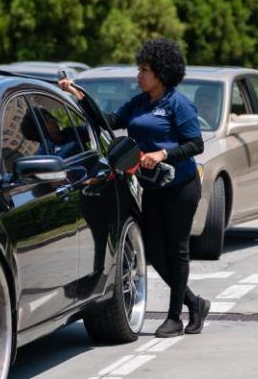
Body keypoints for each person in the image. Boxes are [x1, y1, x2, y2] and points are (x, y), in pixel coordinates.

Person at [59, 38, 209, 338]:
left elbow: (196, 143)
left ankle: (174, 317)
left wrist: (163, 154)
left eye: (144, 70)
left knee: (177, 249)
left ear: (161, 74)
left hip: (181, 187)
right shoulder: (139, 102)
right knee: (152, 248)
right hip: (153, 187)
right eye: (139, 69)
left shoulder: (178, 105)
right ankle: (194, 301)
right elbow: (110, 121)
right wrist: (79, 96)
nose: (138, 75)